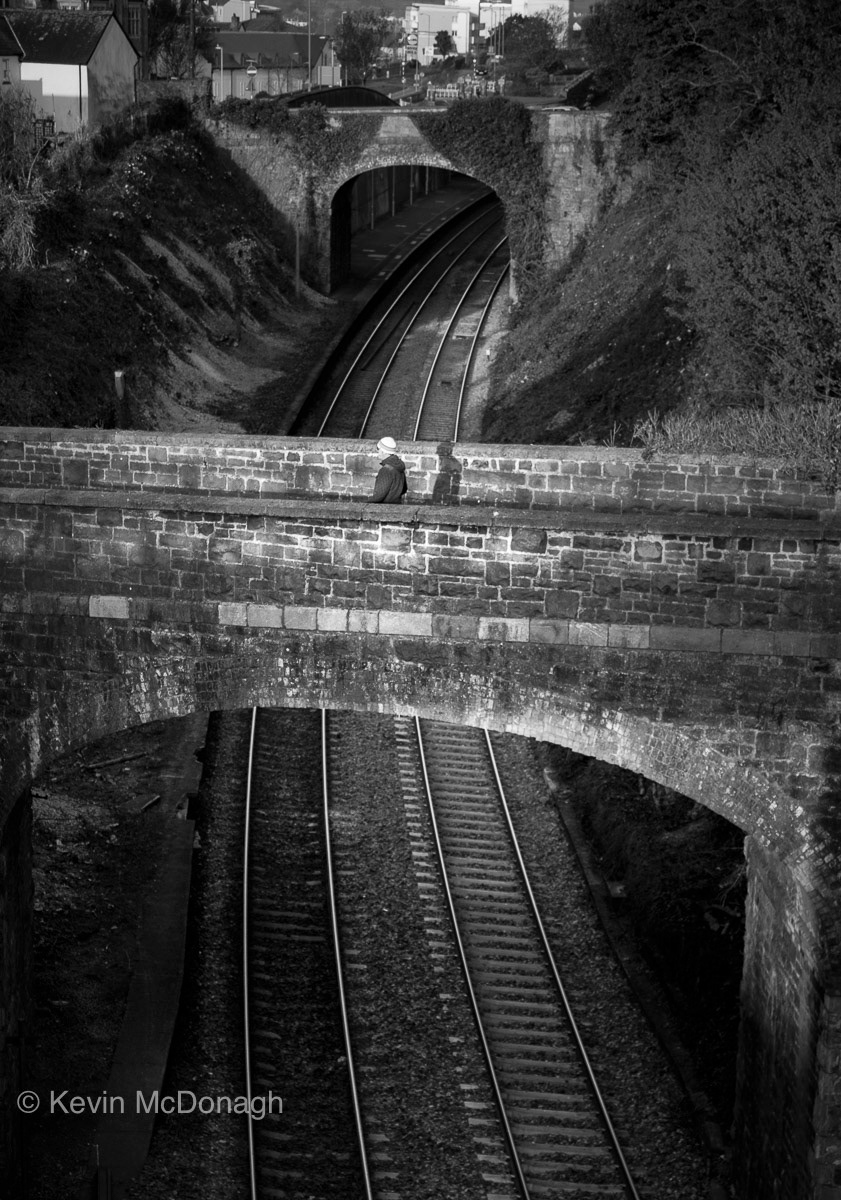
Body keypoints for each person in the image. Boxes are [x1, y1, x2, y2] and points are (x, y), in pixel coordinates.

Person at [371, 436, 408, 503]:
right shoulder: (399, 466)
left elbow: (379, 496)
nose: (377, 451)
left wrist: (364, 504)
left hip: (384, 508)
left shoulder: (385, 470)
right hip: (397, 506)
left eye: (378, 448)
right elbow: (404, 489)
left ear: (383, 451)